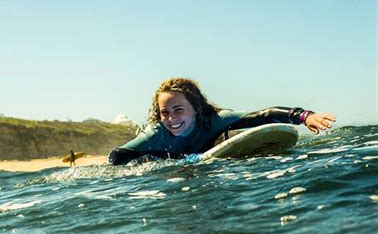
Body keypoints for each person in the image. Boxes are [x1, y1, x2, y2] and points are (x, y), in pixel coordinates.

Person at [108, 78, 336, 165]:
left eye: (178, 110)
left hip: (210, 153)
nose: (171, 118)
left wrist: (305, 116)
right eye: (164, 112)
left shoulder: (214, 120)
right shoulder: (156, 133)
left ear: (196, 109)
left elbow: (263, 115)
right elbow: (118, 155)